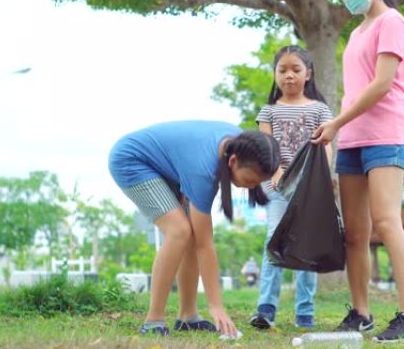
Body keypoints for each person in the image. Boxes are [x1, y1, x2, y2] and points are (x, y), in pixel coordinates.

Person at [312, 0, 404, 342]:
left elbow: (382, 85)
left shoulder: (392, 22)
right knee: (355, 234)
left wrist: (335, 122)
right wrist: (339, 128)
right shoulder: (356, 32)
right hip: (351, 138)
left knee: (386, 221)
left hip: (385, 135)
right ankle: (361, 314)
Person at [108, 121, 280, 337]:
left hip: (167, 167)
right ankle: (153, 320)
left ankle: (188, 316)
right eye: (250, 180)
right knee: (179, 231)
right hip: (132, 160)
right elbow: (205, 245)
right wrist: (216, 305)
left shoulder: (242, 146)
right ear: (233, 161)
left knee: (190, 234)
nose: (252, 187)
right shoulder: (204, 169)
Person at [250, 45, 333, 330]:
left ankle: (305, 314)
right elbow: (266, 147)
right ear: (274, 75)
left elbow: (326, 148)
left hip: (308, 189)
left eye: (295, 70)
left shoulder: (320, 110)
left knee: (306, 247)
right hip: (276, 188)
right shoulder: (268, 111)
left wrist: (323, 181)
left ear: (308, 74)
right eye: (282, 70)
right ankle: (266, 309)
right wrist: (276, 171)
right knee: (273, 242)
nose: (289, 76)